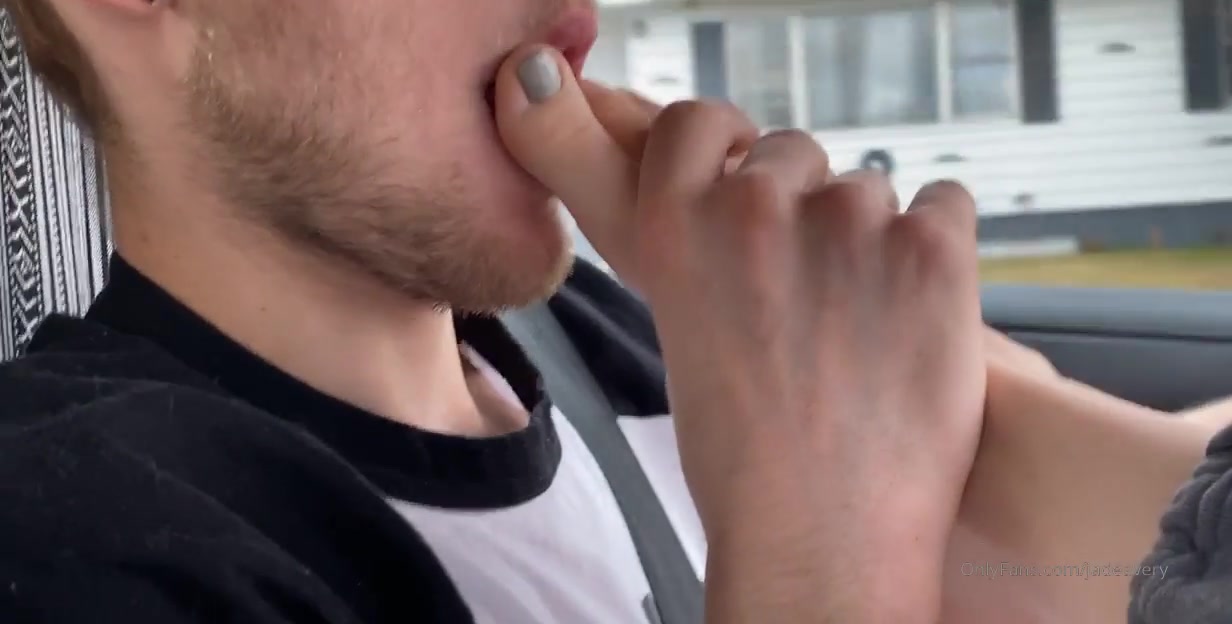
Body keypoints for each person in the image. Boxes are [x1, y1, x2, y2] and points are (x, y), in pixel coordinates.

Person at [0, 1, 1227, 623]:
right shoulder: (75, 535)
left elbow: (1167, 545)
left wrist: (904, 360)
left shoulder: (629, 332)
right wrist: (820, 551)